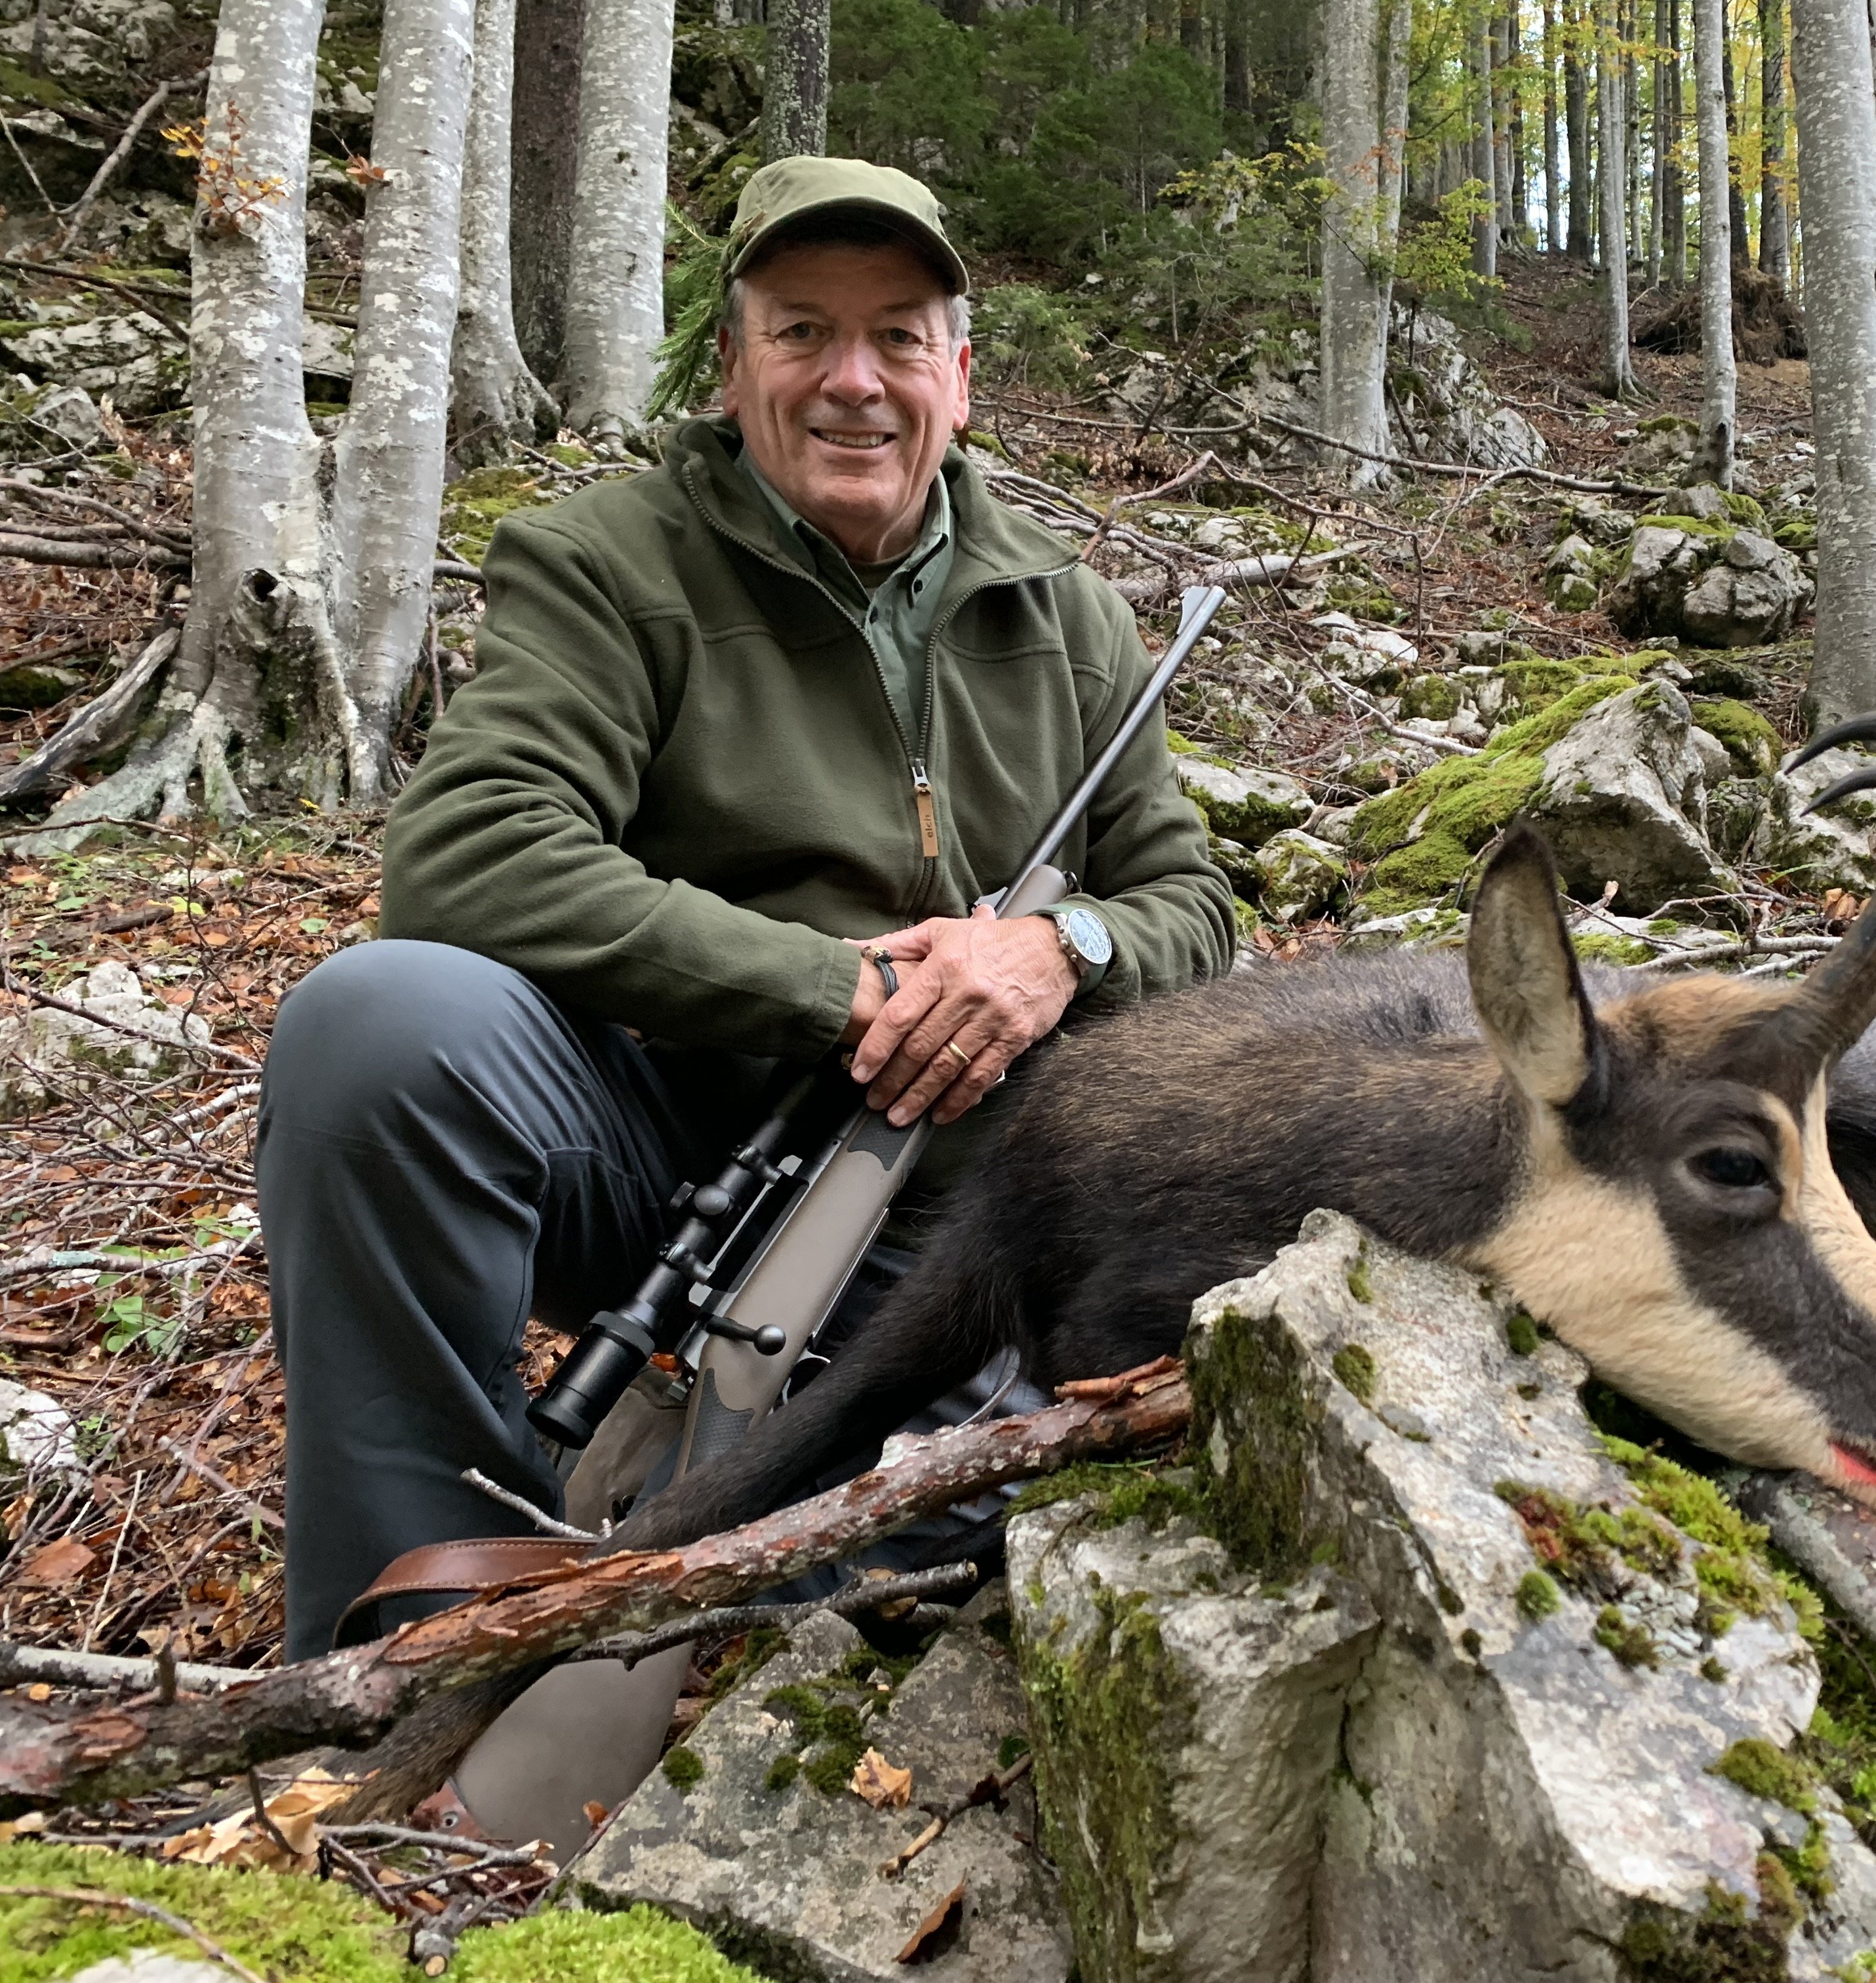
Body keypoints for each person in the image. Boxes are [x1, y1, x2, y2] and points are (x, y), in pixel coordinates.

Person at [256, 157, 1233, 1663]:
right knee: (375, 1033)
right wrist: (842, 992)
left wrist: (1057, 949)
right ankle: (395, 1636)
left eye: (900, 337)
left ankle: (779, 1559)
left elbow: (1190, 906)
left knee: (900, 1545)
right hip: (676, 1161)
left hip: (976, 1228)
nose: (855, 381)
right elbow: (468, 853)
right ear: (731, 368)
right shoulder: (607, 564)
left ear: (959, 378)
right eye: (801, 333)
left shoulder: (1075, 617)